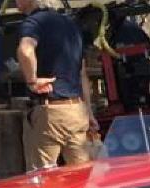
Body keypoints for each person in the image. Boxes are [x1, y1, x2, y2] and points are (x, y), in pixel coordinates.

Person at [18, 0, 97, 171]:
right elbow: (82, 73)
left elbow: (25, 50)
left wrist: (32, 81)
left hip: (49, 112)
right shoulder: (71, 25)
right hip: (76, 110)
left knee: (42, 177)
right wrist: (89, 112)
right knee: (83, 174)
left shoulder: (34, 22)